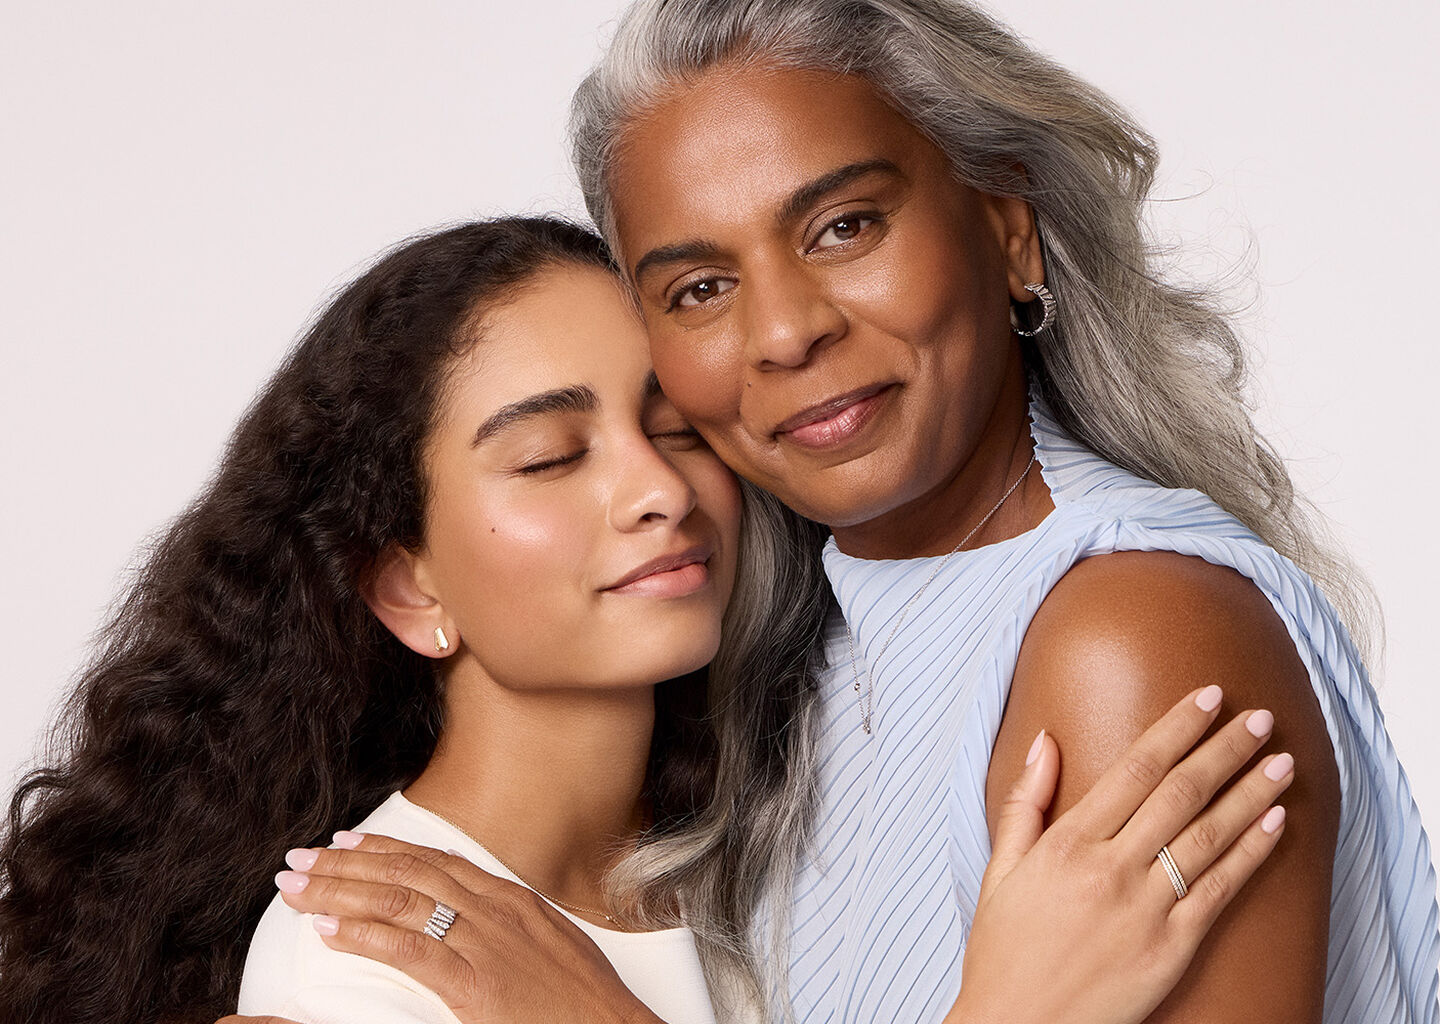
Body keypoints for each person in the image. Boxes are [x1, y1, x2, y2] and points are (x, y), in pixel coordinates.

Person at [0, 216, 1290, 1024]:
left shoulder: (763, 874)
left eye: (674, 428)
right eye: (554, 456)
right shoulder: (368, 966)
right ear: (410, 588)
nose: (660, 490)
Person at [558, 0, 1440, 1020]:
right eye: (701, 287)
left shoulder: (1130, 641)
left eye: (845, 227)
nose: (787, 331)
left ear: (1009, 230)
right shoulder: (808, 671)